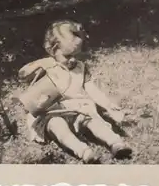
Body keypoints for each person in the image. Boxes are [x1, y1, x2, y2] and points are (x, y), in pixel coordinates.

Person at [18, 20, 133, 163]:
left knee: (94, 122)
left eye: (76, 55)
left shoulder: (80, 68)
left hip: (78, 111)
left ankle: (115, 143)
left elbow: (92, 89)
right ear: (52, 50)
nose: (73, 59)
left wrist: (108, 105)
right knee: (58, 126)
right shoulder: (47, 66)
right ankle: (83, 151)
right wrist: (40, 64)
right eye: (67, 56)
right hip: (52, 113)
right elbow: (22, 75)